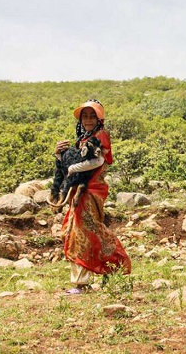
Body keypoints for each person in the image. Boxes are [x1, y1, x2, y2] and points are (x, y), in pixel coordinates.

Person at [54, 99, 131, 294]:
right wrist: (59, 156)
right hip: (82, 190)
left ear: (99, 118)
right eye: (85, 116)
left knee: (82, 231)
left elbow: (98, 160)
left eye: (92, 116)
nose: (88, 120)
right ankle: (111, 267)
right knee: (79, 231)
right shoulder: (85, 138)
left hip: (91, 190)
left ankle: (82, 282)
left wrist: (72, 168)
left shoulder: (100, 135)